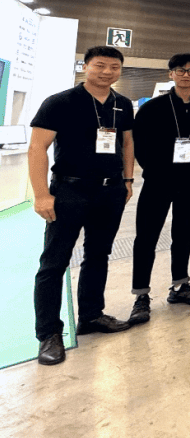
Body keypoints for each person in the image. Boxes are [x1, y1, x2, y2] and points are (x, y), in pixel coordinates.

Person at [29, 46, 136, 365]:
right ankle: (49, 333)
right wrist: (41, 194)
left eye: (114, 67)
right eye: (100, 65)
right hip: (69, 190)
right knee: (54, 262)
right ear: (85, 66)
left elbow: (127, 142)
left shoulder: (122, 103)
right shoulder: (60, 102)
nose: (107, 72)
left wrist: (127, 180)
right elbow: (37, 147)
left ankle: (91, 315)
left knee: (98, 255)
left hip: (110, 191)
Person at [128, 53, 190, 325]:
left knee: (184, 232)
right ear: (171, 74)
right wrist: (155, 169)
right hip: (158, 181)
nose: (186, 74)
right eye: (180, 70)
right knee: (147, 236)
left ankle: (180, 285)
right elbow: (140, 144)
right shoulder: (152, 108)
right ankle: (141, 295)